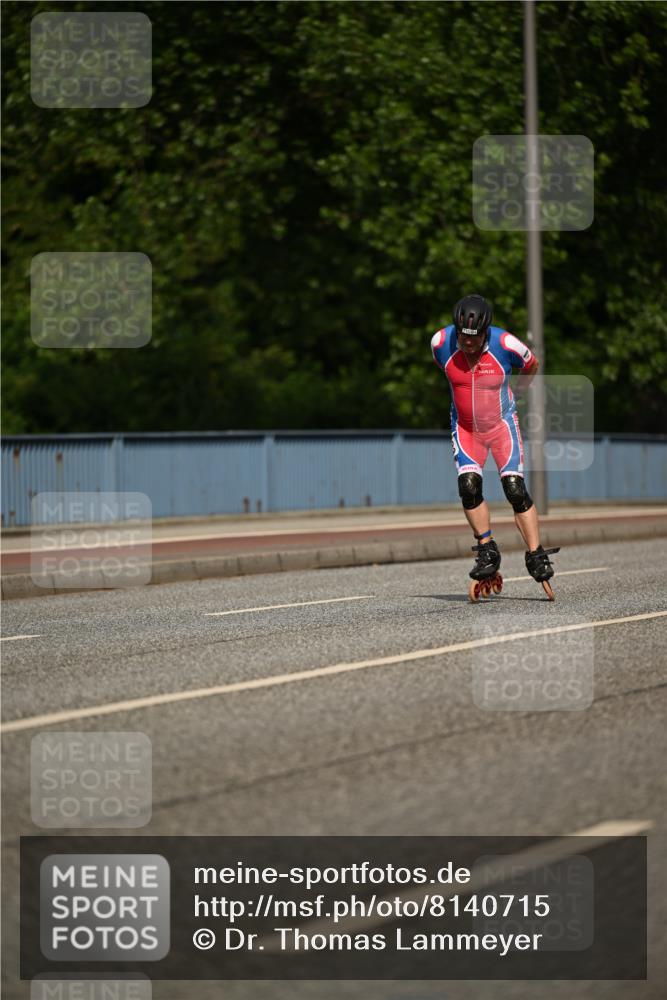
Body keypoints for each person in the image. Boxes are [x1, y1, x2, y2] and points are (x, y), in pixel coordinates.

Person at [431, 292, 557, 586]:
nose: (468, 342)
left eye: (474, 337)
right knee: (468, 486)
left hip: (501, 426)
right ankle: (487, 550)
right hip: (465, 428)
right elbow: (449, 372)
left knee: (514, 488)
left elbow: (532, 365)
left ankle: (535, 554)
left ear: (486, 331)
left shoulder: (506, 344)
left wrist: (520, 393)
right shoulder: (440, 343)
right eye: (463, 336)